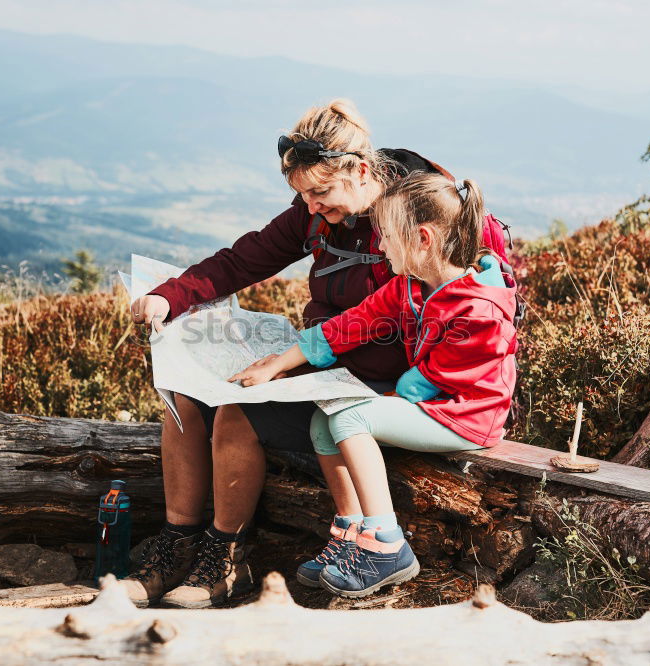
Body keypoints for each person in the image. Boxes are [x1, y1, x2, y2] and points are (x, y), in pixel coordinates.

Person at [125, 98, 482, 609]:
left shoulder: (427, 210)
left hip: (387, 388)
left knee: (236, 411)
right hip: (323, 368)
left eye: (320, 192)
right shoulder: (318, 214)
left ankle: (226, 558)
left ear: (360, 170)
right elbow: (241, 259)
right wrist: (169, 295)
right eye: (303, 195)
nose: (312, 207)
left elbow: (477, 296)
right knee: (182, 397)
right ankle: (177, 544)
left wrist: (296, 361)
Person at [228, 172, 518, 598]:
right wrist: (279, 364)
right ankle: (351, 531)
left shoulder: (482, 308)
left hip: (467, 417)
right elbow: (352, 324)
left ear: (421, 239)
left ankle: (386, 545)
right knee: (324, 422)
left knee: (350, 414)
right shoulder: (410, 287)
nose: (379, 247)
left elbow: (438, 380)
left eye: (386, 237)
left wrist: (382, 399)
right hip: (433, 407)